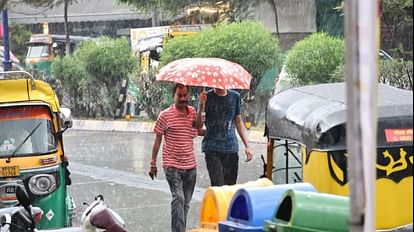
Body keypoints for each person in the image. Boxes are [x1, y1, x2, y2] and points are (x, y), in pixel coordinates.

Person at [149, 83, 203, 232]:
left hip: (191, 166)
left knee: (185, 203)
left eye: (185, 95)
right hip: (172, 165)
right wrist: (153, 163)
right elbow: (158, 140)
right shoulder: (165, 115)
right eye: (179, 95)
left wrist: (202, 105)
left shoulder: (192, 111)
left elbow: (198, 127)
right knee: (178, 198)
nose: (183, 98)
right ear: (173, 96)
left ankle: (180, 229)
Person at [198, 88, 253, 186]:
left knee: (230, 187)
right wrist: (201, 105)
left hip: (231, 148)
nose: (219, 87)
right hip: (212, 148)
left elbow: (238, 121)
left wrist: (247, 146)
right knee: (218, 186)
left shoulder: (235, 96)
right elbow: (198, 126)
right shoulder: (206, 97)